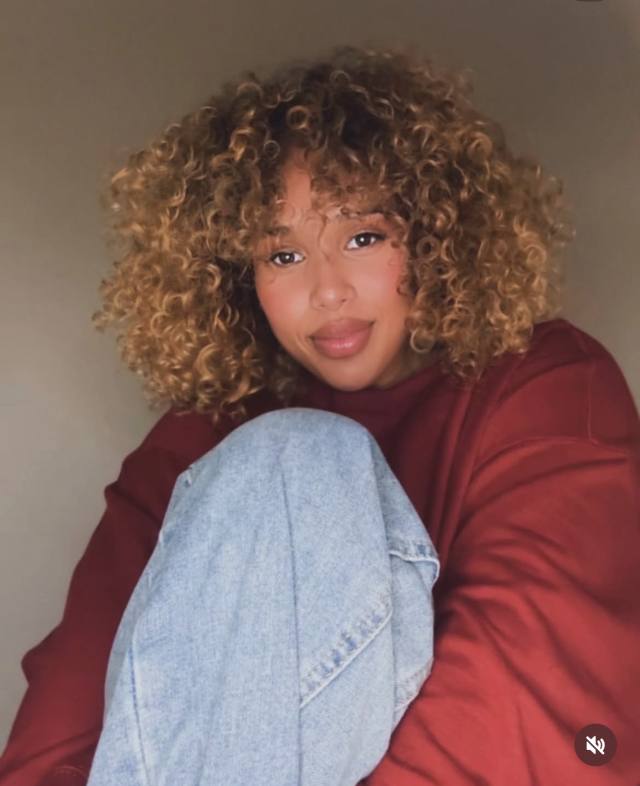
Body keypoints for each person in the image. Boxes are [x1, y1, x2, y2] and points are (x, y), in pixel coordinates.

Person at [1, 42, 639, 785]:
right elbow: (80, 673)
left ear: (436, 239)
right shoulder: (213, 430)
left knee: (300, 457)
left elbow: (534, 687)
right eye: (283, 256)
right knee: (278, 452)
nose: (327, 291)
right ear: (239, 276)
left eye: (362, 238)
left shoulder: (547, 383)